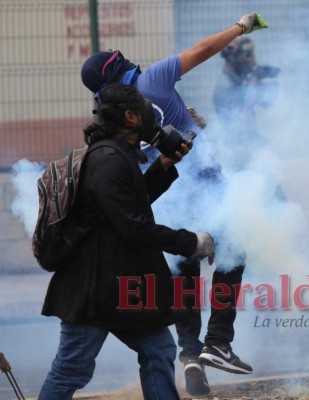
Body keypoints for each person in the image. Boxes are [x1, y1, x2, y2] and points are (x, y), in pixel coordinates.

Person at [80, 13, 267, 396]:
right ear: (119, 67)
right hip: (206, 187)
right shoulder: (154, 79)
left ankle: (191, 356)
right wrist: (241, 27)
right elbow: (202, 50)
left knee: (184, 275)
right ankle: (218, 342)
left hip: (164, 198)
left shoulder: (112, 118)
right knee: (233, 252)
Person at [37, 83, 216, 400]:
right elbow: (135, 226)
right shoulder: (109, 162)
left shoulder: (117, 156)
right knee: (72, 369)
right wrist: (192, 243)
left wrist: (162, 167)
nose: (152, 114)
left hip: (119, 287)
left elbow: (129, 205)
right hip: (92, 292)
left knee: (159, 349)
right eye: (144, 108)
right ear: (131, 117)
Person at [212, 36, 280, 171]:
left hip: (249, 147)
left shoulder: (241, 80)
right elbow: (236, 125)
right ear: (232, 57)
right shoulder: (226, 86)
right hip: (238, 152)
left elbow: (267, 102)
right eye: (247, 55)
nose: (251, 59)